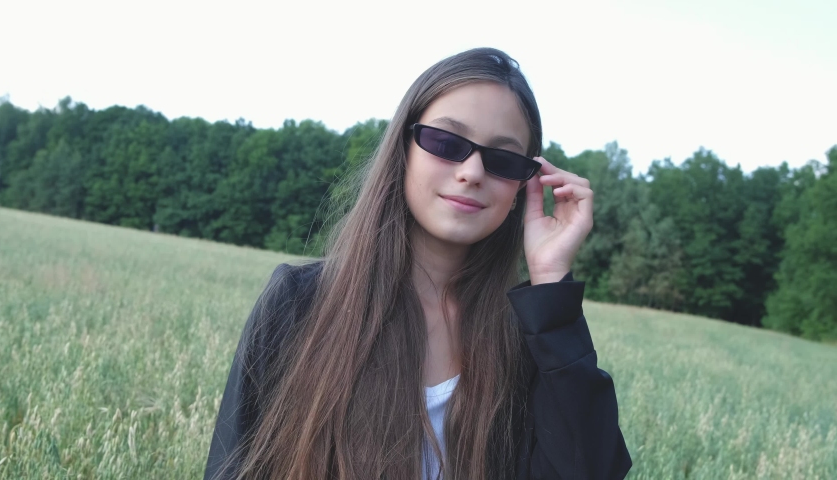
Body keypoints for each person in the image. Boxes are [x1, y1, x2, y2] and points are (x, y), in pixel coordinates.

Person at [204, 47, 632, 480]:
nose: (472, 171)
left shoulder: (527, 340)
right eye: (446, 143)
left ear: (525, 184)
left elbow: (592, 471)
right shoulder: (300, 303)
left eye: (503, 159)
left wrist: (551, 282)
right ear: (402, 149)